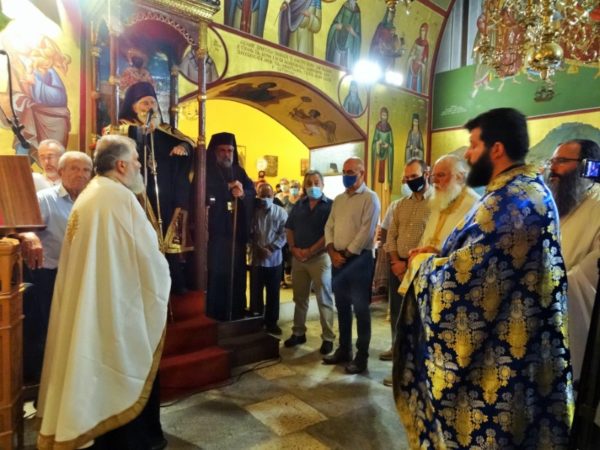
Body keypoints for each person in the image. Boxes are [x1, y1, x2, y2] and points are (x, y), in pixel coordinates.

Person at [393, 108, 573, 447]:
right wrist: (440, 256)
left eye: (474, 145)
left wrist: (423, 264)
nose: (469, 154)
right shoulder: (528, 190)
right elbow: (483, 260)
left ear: (497, 149)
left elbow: (464, 285)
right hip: (521, 350)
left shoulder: (510, 201)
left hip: (500, 366)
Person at [37, 135, 170, 450]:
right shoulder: (117, 198)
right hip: (112, 305)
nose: (139, 166)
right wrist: (163, 271)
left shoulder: (92, 194)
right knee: (117, 363)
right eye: (135, 160)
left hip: (94, 299)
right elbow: (148, 259)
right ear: (121, 165)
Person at [20, 151, 93, 384]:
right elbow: (21, 225)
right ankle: (42, 380)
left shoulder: (92, 201)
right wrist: (29, 234)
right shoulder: (44, 199)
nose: (81, 174)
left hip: (80, 273)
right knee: (45, 327)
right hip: (48, 274)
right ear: (61, 172)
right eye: (74, 168)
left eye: (86, 170)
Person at [116, 81, 194, 294]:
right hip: (137, 195)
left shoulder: (165, 129)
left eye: (152, 102)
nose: (150, 107)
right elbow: (112, 142)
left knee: (167, 239)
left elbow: (189, 143)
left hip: (166, 196)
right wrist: (140, 131)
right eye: (144, 103)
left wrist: (183, 147)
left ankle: (173, 285)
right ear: (133, 107)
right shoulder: (122, 128)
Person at [545, 139, 600, 380]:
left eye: (561, 161)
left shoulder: (597, 206)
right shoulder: (558, 205)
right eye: (552, 161)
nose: (552, 168)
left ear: (587, 166)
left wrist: (550, 287)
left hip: (575, 320)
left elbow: (592, 271)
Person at [323, 157, 380, 374]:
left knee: (361, 309)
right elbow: (329, 226)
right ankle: (344, 349)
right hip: (338, 259)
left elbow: (366, 231)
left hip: (359, 261)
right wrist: (332, 251)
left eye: (351, 172)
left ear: (362, 173)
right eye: (344, 171)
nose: (346, 175)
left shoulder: (370, 198)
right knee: (342, 306)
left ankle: (361, 356)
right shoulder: (339, 199)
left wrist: (345, 255)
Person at [380, 159, 430, 384]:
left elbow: (430, 240)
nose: (410, 181)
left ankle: (413, 368)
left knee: (416, 318)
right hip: (397, 267)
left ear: (426, 173)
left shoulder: (437, 204)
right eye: (407, 177)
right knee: (398, 314)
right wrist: (395, 262)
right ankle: (398, 355)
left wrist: (408, 266)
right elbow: (391, 235)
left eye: (414, 176)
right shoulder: (400, 205)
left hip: (418, 269)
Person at [284, 170, 336, 354]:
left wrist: (310, 251)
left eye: (316, 182)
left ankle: (328, 337)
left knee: (324, 299)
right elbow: (289, 228)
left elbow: (329, 233)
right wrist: (293, 248)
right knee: (299, 298)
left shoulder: (331, 206)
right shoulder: (299, 205)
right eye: (309, 183)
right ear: (304, 186)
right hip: (299, 258)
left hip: (320, 258)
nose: (313, 186)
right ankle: (298, 332)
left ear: (322, 185)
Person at [206, 132, 256, 321]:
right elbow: (202, 193)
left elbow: (251, 192)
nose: (227, 155)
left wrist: (242, 194)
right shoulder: (207, 170)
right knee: (217, 273)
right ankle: (215, 312)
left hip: (236, 235)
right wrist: (226, 188)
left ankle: (236, 309)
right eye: (222, 150)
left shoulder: (239, 171)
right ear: (215, 151)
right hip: (216, 234)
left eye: (230, 151)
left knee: (237, 272)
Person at [412, 154, 480, 252]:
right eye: (433, 176)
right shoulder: (440, 200)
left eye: (441, 175)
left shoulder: (474, 205)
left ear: (459, 177)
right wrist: (419, 251)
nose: (435, 181)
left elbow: (472, 249)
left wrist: (438, 254)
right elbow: (426, 237)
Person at [249, 183, 288, 334]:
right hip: (257, 260)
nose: (265, 198)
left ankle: (272, 323)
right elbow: (250, 232)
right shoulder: (253, 212)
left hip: (274, 260)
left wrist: (271, 248)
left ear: (273, 196)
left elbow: (285, 233)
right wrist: (258, 248)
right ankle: (257, 321)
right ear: (257, 196)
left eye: (268, 195)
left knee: (273, 294)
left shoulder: (281, 212)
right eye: (262, 195)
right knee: (256, 293)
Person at [325, 0, 362, 69]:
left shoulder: (357, 12)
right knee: (336, 66)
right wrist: (339, 26)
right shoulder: (345, 6)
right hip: (338, 44)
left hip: (349, 47)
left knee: (347, 67)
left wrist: (352, 32)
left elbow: (358, 36)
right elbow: (335, 25)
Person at [371, 106, 394, 210]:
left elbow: (391, 144)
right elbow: (374, 142)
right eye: (383, 115)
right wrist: (377, 143)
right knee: (377, 182)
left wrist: (388, 146)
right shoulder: (377, 127)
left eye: (386, 115)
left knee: (385, 183)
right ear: (380, 116)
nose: (384, 117)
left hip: (386, 160)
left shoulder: (389, 128)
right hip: (378, 158)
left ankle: (385, 205)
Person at [405, 23, 429, 93]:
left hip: (419, 67)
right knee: (410, 83)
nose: (422, 32)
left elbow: (425, 60)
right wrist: (413, 57)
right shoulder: (417, 41)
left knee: (417, 85)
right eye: (421, 30)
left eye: (423, 30)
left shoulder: (426, 44)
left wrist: (421, 63)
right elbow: (412, 52)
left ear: (426, 32)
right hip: (413, 64)